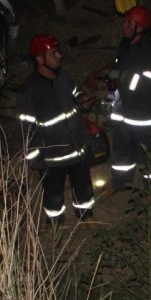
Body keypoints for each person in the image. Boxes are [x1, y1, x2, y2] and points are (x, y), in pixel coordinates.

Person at [16, 33, 95, 226]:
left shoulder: (64, 77)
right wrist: (35, 159)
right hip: (52, 160)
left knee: (83, 188)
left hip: (77, 149)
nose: (59, 56)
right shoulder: (29, 91)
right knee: (53, 196)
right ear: (39, 59)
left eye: (57, 52)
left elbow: (75, 95)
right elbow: (25, 129)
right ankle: (55, 225)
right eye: (53, 53)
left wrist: (83, 101)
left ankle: (86, 217)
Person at [108, 5, 151, 191]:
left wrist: (123, 78)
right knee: (122, 152)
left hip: (144, 117)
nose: (123, 26)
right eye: (124, 22)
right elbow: (119, 67)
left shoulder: (149, 53)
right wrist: (113, 77)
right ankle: (122, 182)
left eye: (128, 23)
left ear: (139, 28)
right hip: (124, 113)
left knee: (150, 154)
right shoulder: (125, 46)